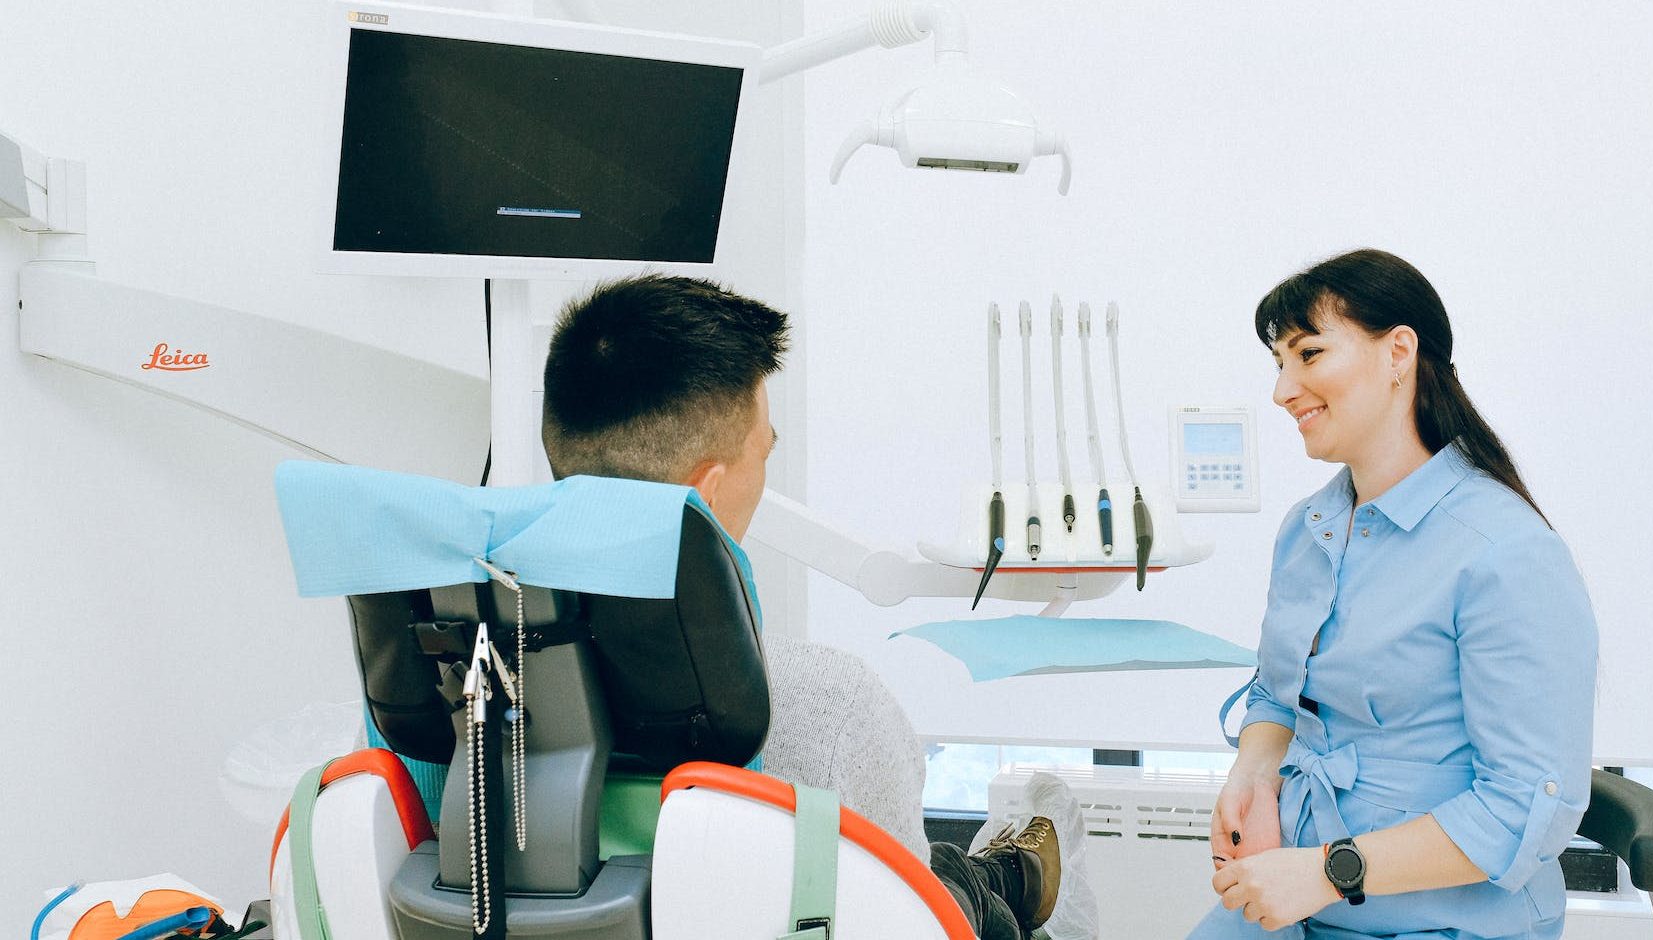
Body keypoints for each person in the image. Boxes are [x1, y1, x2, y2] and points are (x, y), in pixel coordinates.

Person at [540, 274, 1085, 940]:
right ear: (705, 496)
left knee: (947, 875)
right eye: (764, 450)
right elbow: (910, 919)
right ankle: (1009, 884)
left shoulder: (451, 692)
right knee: (969, 906)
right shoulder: (829, 702)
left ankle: (1006, 874)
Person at [1191, 249, 1597, 939]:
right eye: (1279, 363)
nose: (1283, 389)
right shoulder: (1308, 530)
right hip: (1299, 899)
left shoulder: (1505, 553)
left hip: (1442, 921)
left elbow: (1523, 807)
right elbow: (1276, 689)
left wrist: (1325, 871)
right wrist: (1254, 772)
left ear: (1398, 353)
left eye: (1309, 353)